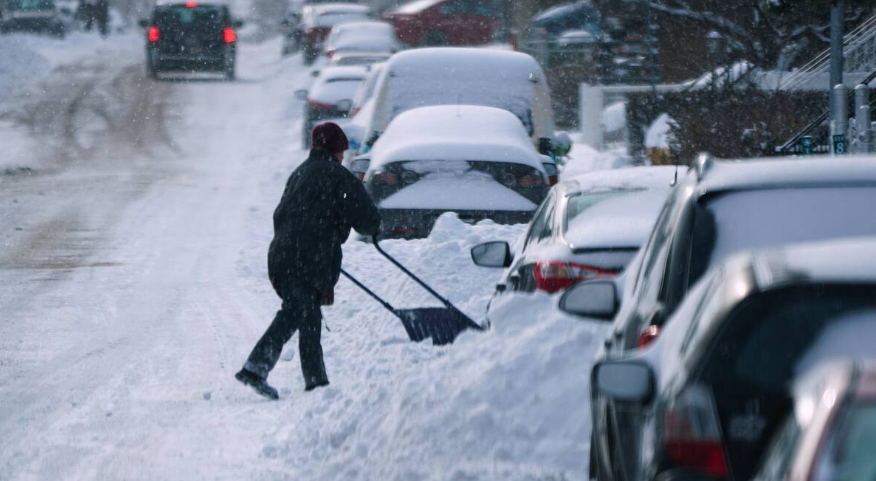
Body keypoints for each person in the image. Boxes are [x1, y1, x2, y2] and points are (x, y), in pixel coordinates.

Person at [235, 123, 381, 400]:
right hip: (307, 256)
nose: (342, 157)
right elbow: (365, 216)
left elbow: (282, 213)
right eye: (341, 152)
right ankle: (255, 367)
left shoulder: (300, 173)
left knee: (308, 316)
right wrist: (375, 228)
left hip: (285, 253)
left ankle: (316, 382)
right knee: (295, 311)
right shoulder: (337, 175)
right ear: (336, 149)